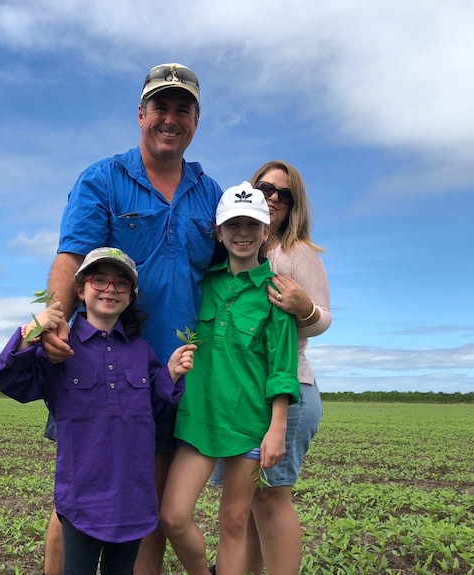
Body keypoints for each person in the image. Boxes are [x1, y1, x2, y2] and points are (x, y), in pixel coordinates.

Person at [39, 63, 224, 575]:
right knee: (74, 503)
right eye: (160, 108)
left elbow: (232, 271)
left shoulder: (210, 194)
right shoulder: (103, 178)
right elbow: (72, 256)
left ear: (195, 121)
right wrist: (56, 323)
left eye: (182, 110)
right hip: (98, 366)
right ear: (141, 115)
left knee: (148, 505)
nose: (170, 118)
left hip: (170, 374)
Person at [0, 247, 196, 575]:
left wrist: (172, 373)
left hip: (134, 497)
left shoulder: (141, 350)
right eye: (99, 280)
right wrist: (31, 331)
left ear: (131, 296)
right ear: (80, 290)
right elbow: (12, 382)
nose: (109, 289)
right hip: (82, 497)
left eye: (121, 284)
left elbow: (157, 407)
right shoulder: (61, 348)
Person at [159, 183, 300, 575]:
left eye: (252, 224)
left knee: (234, 521)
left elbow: (282, 368)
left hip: (249, 425)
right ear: (218, 232)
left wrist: (277, 428)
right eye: (233, 224)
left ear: (266, 231)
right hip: (199, 420)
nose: (242, 233)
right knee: (173, 516)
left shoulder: (277, 293)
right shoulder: (202, 283)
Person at [209, 160, 331, 575]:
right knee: (252, 503)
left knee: (273, 496)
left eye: (286, 194)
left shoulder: (296, 253)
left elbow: (323, 320)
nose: (275, 197)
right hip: (247, 392)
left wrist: (306, 308)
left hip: (288, 387)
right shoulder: (245, 247)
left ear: (294, 205)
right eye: (266, 187)